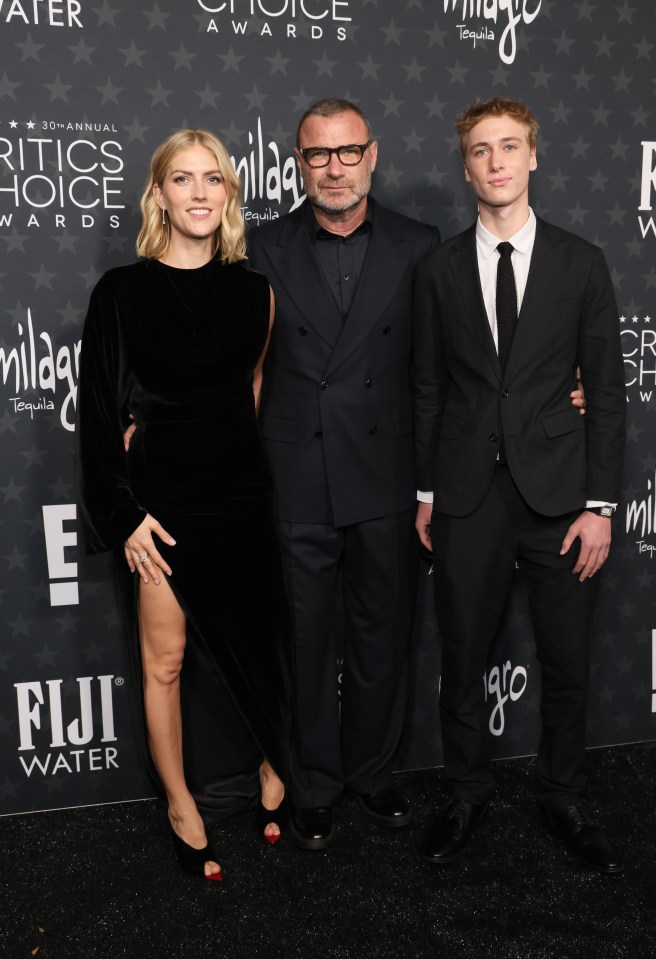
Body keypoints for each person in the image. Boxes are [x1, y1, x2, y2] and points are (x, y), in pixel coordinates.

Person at [413, 97, 626, 873]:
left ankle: (563, 791)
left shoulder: (582, 262)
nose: (496, 161)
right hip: (468, 497)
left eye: (509, 147)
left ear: (534, 156)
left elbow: (605, 391)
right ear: (464, 164)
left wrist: (601, 504)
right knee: (462, 658)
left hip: (564, 498)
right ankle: (466, 791)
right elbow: (428, 388)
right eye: (480, 150)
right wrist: (427, 491)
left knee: (568, 658)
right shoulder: (437, 270)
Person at [77, 129, 292, 880]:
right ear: (158, 193)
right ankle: (178, 801)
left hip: (240, 497)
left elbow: (250, 398)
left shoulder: (254, 293)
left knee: (261, 646)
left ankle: (275, 761)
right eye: (182, 179)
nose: (199, 193)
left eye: (213, 179)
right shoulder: (121, 294)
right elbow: (101, 418)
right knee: (163, 662)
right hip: (162, 507)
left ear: (229, 193)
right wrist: (126, 513)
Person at [247, 98, 441, 850]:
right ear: (299, 163)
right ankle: (315, 783)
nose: (335, 167)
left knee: (381, 635)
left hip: (387, 476)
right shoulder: (262, 246)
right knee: (303, 638)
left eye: (348, 151)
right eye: (318, 155)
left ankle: (373, 771)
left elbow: (449, 361)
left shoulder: (420, 243)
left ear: (374, 155)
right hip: (296, 474)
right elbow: (228, 355)